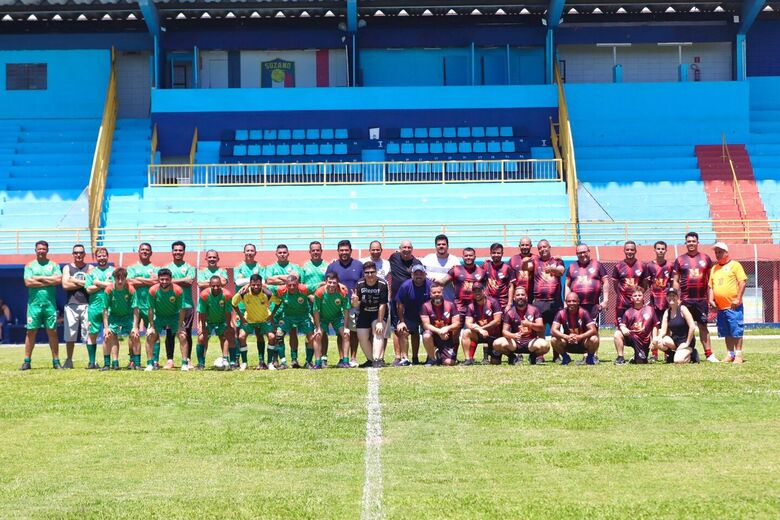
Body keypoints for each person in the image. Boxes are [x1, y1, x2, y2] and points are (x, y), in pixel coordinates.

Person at [673, 232, 717, 362]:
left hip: (701, 300)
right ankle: (690, 352)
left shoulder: (706, 258)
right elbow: (675, 280)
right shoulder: (680, 260)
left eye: (693, 241)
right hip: (686, 300)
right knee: (686, 328)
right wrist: (677, 299)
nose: (691, 243)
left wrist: (710, 298)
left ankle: (709, 354)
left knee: (703, 326)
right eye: (689, 241)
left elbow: (710, 280)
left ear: (698, 242)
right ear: (685, 243)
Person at [20, 240, 63, 370]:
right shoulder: (29, 266)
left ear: (47, 250)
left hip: (50, 305)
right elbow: (28, 282)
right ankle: (27, 361)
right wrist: (48, 281)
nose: (41, 251)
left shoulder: (54, 265)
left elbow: (58, 280)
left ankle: (56, 362)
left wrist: (38, 278)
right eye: (39, 249)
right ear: (35, 250)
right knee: (31, 332)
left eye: (43, 249)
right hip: (34, 305)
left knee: (53, 332)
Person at [441, 247, 486, 361]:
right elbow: (442, 282)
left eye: (471, 255)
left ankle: (470, 357)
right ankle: (453, 355)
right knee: (455, 332)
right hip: (458, 306)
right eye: (466, 255)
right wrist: (431, 281)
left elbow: (487, 288)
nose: (468, 257)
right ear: (463, 257)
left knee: (472, 331)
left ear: (475, 257)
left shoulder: (481, 271)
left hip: (474, 307)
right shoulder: (456, 269)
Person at [326, 240, 363, 366]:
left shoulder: (359, 265)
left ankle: (353, 358)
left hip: (353, 304)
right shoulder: (332, 266)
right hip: (337, 305)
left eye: (346, 250)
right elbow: (326, 284)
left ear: (350, 251)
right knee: (340, 332)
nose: (344, 252)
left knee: (353, 331)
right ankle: (342, 358)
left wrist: (358, 299)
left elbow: (363, 283)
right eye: (341, 250)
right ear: (338, 251)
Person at [708, 242, 747, 363]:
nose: (718, 254)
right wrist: (710, 299)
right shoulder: (714, 268)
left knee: (736, 330)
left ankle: (739, 354)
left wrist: (738, 298)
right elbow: (711, 286)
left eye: (720, 252)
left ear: (726, 253)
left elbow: (742, 282)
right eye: (716, 252)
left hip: (734, 306)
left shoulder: (735, 265)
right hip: (721, 308)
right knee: (726, 331)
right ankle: (730, 354)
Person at [270, 274, 319, 369]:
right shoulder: (281, 290)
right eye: (289, 285)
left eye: (294, 285)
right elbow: (265, 284)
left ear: (298, 284)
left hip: (303, 317)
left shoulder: (304, 289)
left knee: (311, 337)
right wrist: (247, 286)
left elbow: (321, 284)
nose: (292, 287)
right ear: (286, 285)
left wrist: (338, 285)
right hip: (287, 317)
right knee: (279, 335)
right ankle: (284, 362)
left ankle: (308, 362)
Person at [143, 268, 187, 371]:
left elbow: (182, 309)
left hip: (174, 316)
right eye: (162, 279)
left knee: (183, 336)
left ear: (171, 279)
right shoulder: (153, 290)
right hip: (158, 316)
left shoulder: (178, 290)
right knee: (150, 335)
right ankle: (150, 363)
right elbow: (150, 309)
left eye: (166, 279)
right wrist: (151, 326)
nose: (164, 282)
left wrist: (180, 326)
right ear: (158, 279)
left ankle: (184, 363)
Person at [492, 286, 549, 365]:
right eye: (518, 295)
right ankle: (512, 357)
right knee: (496, 344)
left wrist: (530, 324)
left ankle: (533, 357)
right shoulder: (510, 312)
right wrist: (513, 335)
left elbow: (541, 328)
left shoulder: (534, 310)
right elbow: (504, 331)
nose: (520, 297)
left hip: (530, 342)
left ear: (526, 296)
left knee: (545, 345)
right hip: (515, 342)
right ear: (514, 298)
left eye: (522, 295)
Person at [232, 274, 276, 370]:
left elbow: (278, 302)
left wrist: (272, 315)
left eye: (258, 285)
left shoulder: (266, 294)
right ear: (250, 284)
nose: (256, 287)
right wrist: (241, 317)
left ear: (261, 284)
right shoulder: (245, 293)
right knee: (241, 336)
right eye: (253, 285)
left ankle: (269, 363)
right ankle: (244, 363)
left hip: (263, 319)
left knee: (272, 337)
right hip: (249, 319)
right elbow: (233, 303)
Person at [164, 241, 196, 369]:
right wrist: (180, 281)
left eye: (180, 250)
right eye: (175, 250)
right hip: (169, 305)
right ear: (172, 251)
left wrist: (170, 281)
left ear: (184, 252)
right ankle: (170, 360)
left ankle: (187, 359)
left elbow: (189, 281)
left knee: (187, 332)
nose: (178, 252)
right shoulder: (167, 267)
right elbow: (163, 283)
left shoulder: (189, 267)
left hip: (186, 304)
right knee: (169, 332)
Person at [101, 268, 141, 371]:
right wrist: (106, 327)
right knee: (108, 336)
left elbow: (136, 309)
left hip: (128, 316)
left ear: (125, 279)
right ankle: (111, 363)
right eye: (117, 279)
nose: (120, 281)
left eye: (122, 279)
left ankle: (136, 363)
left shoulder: (131, 289)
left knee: (135, 336)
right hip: (114, 316)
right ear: (114, 278)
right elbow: (105, 309)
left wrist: (135, 327)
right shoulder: (109, 290)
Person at [233, 243, 265, 367]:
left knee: (259, 332)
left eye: (252, 250)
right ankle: (237, 359)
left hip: (257, 304)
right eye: (247, 250)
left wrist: (246, 281)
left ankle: (261, 360)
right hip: (241, 304)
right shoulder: (239, 267)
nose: (250, 252)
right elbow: (237, 281)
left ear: (255, 252)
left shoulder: (260, 266)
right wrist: (254, 281)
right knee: (239, 333)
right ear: (244, 252)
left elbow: (264, 282)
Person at [352, 261, 389, 368]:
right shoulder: (359, 283)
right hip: (364, 312)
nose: (370, 275)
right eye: (367, 272)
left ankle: (377, 359)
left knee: (378, 330)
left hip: (378, 312)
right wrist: (354, 301)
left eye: (372, 272)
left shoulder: (382, 284)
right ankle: (371, 360)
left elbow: (383, 304)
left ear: (376, 272)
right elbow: (356, 304)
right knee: (361, 336)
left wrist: (380, 322)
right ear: (364, 273)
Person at [394, 264, 432, 365]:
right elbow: (400, 304)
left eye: (421, 273)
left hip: (426, 315)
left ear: (425, 274)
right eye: (416, 274)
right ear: (412, 275)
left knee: (429, 334)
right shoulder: (405, 286)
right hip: (410, 314)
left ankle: (430, 357)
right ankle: (405, 358)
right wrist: (401, 321)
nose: (418, 276)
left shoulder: (430, 285)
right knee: (403, 331)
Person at [359, 241, 391, 361]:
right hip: (366, 306)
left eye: (378, 249)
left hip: (381, 303)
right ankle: (371, 359)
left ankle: (379, 358)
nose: (375, 251)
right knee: (363, 334)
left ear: (381, 250)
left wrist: (379, 320)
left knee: (380, 331)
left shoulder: (387, 264)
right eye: (373, 249)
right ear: (369, 250)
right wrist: (356, 301)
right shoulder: (362, 263)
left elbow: (390, 280)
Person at [195, 275, 234, 370]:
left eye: (218, 285)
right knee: (201, 338)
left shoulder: (227, 295)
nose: (216, 288)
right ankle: (201, 363)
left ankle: (228, 361)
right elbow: (202, 312)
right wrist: (203, 327)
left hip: (222, 320)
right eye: (213, 286)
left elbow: (228, 312)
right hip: (208, 321)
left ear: (221, 285)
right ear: (209, 285)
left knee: (228, 335)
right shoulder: (204, 295)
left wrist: (228, 326)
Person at [312, 272, 351, 369]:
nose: (332, 285)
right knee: (318, 335)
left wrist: (346, 327)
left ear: (338, 283)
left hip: (337, 317)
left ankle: (345, 361)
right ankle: (317, 362)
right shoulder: (319, 292)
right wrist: (318, 328)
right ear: (325, 282)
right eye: (330, 282)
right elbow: (316, 310)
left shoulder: (342, 292)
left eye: (334, 283)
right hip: (323, 318)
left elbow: (346, 309)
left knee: (345, 335)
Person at [84, 247, 114, 369]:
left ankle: (109, 362)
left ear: (107, 256)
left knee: (110, 334)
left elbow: (115, 286)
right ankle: (92, 362)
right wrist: (104, 284)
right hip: (94, 308)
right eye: (99, 256)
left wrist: (97, 283)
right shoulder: (91, 273)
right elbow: (88, 289)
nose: (102, 258)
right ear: (96, 258)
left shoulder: (113, 271)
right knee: (92, 334)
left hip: (110, 307)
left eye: (104, 256)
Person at [61, 244, 90, 369]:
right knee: (70, 335)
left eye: (81, 252)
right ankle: (69, 360)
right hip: (71, 304)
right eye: (76, 253)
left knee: (89, 333)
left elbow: (90, 283)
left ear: (84, 254)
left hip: (87, 304)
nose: (78, 255)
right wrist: (83, 283)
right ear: (73, 254)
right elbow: (65, 286)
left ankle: (92, 360)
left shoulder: (90, 267)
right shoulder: (67, 268)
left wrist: (74, 280)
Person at [613, 285, 658, 365]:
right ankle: (620, 357)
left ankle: (636, 357)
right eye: (635, 296)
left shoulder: (650, 310)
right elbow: (622, 325)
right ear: (632, 298)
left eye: (639, 295)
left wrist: (654, 339)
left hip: (644, 340)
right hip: (632, 337)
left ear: (643, 297)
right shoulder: (628, 312)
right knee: (617, 334)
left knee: (641, 362)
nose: (637, 297)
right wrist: (623, 328)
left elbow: (655, 325)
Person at [550, 292, 599, 365]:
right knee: (554, 340)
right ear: (565, 302)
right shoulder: (561, 313)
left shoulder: (584, 312)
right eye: (569, 301)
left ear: (578, 302)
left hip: (582, 343)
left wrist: (580, 337)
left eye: (574, 301)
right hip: (568, 342)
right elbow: (553, 330)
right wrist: (566, 337)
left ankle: (589, 359)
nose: (571, 303)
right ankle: (566, 358)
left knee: (594, 338)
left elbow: (593, 330)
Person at [651, 288, 698, 363]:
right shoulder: (667, 312)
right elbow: (663, 331)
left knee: (678, 360)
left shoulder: (683, 309)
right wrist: (656, 339)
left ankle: (692, 354)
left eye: (673, 295)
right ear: (666, 298)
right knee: (658, 341)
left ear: (678, 297)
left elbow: (692, 327)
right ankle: (672, 354)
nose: (671, 297)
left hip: (686, 342)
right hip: (675, 342)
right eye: (669, 296)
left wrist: (687, 343)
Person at [565, 243, 609, 322]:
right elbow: (567, 285)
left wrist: (605, 300)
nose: (582, 254)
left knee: (592, 330)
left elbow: (606, 282)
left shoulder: (597, 265)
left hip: (593, 305)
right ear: (576, 254)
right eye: (579, 253)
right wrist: (566, 302)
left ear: (589, 251)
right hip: (576, 305)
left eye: (584, 252)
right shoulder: (572, 267)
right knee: (577, 330)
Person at [420, 282, 461, 366]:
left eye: (439, 292)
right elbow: (426, 325)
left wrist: (447, 328)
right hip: (433, 335)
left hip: (446, 336)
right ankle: (431, 359)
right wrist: (439, 331)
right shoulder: (425, 306)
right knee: (426, 335)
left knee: (449, 363)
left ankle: (439, 355)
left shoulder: (451, 305)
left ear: (442, 292)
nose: (436, 294)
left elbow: (457, 323)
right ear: (430, 294)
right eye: (434, 292)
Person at [527, 239, 565, 330]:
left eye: (544, 247)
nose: (542, 249)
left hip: (555, 302)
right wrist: (525, 261)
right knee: (539, 332)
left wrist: (552, 269)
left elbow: (561, 271)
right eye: (540, 248)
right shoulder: (535, 261)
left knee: (556, 332)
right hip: (539, 302)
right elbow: (526, 268)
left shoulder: (557, 260)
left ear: (549, 247)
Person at [461, 282, 502, 365]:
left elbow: (497, 321)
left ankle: (513, 357)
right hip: (480, 334)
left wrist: (482, 329)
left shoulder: (493, 302)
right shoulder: (471, 306)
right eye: (474, 291)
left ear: (484, 291)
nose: (477, 293)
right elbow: (468, 323)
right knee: (466, 332)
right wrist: (480, 330)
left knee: (495, 362)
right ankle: (468, 359)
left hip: (494, 336)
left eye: (479, 290)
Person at [645, 240, 672, 361]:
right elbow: (646, 284)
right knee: (654, 328)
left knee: (667, 328)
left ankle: (667, 352)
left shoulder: (670, 266)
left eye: (662, 249)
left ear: (666, 250)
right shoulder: (650, 266)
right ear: (654, 250)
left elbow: (673, 283)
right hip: (654, 302)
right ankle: (654, 353)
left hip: (667, 302)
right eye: (658, 248)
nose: (660, 250)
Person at [611, 241, 649, 325]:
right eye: (627, 249)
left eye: (632, 250)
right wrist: (622, 294)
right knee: (621, 327)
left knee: (638, 326)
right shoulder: (618, 266)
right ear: (624, 250)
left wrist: (637, 295)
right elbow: (615, 286)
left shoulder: (642, 266)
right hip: (622, 303)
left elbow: (645, 285)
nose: (629, 252)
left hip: (637, 303)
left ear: (635, 251)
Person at [421, 234, 460, 302]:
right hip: (429, 301)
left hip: (447, 300)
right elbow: (419, 274)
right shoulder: (427, 259)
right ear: (435, 246)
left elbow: (459, 279)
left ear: (448, 246)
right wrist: (427, 278)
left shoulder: (454, 260)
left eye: (443, 244)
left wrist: (445, 280)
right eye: (439, 244)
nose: (441, 246)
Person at [482, 242, 515, 309]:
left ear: (502, 254)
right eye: (494, 253)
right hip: (489, 302)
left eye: (498, 253)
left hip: (503, 303)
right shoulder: (486, 265)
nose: (496, 255)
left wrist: (509, 304)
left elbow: (511, 286)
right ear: (490, 253)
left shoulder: (507, 268)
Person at [508, 236, 535, 305]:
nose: (524, 247)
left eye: (527, 245)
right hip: (518, 297)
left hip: (533, 297)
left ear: (531, 246)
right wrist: (510, 301)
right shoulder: (513, 259)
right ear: (519, 246)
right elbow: (511, 283)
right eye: (522, 245)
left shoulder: (536, 258)